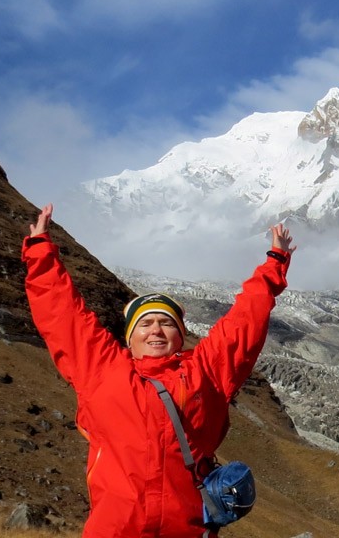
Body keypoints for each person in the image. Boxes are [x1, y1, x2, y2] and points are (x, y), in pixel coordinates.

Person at [22, 204, 293, 537]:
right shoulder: (101, 369)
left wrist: (274, 264)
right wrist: (40, 253)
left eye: (166, 323)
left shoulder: (205, 371)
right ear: (130, 336)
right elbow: (62, 315)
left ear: (180, 335)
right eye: (145, 323)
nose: (155, 331)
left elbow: (244, 322)